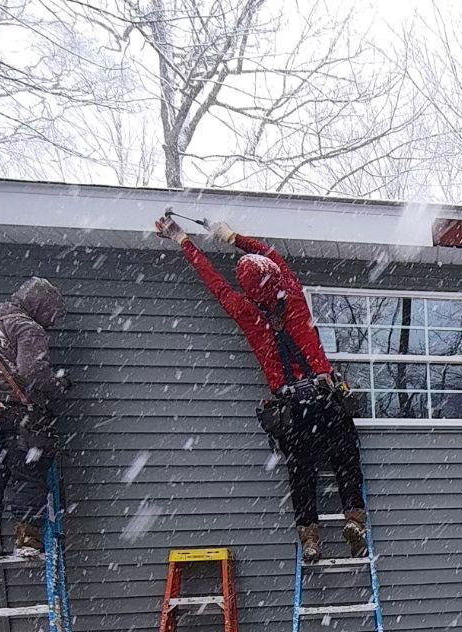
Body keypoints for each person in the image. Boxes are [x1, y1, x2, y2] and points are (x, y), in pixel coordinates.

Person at [155, 213, 367, 563]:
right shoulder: (295, 296)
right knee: (346, 459)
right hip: (327, 399)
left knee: (301, 472)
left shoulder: (245, 311)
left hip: (292, 410)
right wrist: (231, 236)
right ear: (275, 277)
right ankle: (354, 520)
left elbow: (214, 282)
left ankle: (310, 537)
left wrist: (183, 240)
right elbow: (271, 252)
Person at [0, 277, 67, 559]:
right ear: (40, 304)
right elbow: (32, 373)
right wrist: (59, 386)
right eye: (50, 313)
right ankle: (28, 540)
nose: (50, 321)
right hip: (19, 415)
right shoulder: (26, 327)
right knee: (28, 474)